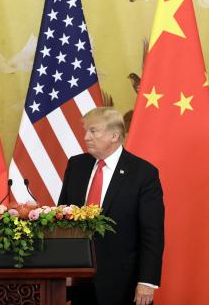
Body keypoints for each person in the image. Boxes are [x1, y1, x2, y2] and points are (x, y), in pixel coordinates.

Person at [58, 107, 164, 305]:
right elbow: (62, 216)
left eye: (93, 131)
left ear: (115, 135)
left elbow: (152, 232)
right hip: (78, 280)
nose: (86, 137)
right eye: (86, 131)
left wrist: (147, 281)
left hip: (123, 283)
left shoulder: (143, 173)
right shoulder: (76, 165)